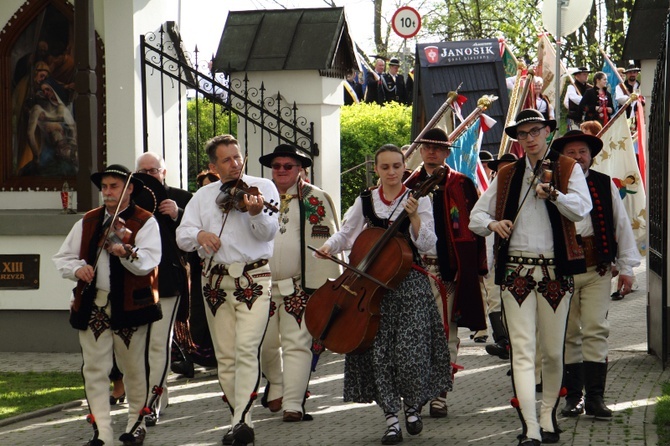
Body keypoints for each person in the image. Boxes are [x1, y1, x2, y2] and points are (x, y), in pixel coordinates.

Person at [469, 109, 592, 446]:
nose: (530, 139)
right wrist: (493, 224)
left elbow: (583, 209)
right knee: (522, 352)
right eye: (523, 134)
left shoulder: (566, 168)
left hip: (555, 272)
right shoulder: (507, 174)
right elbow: (475, 216)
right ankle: (530, 427)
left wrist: (553, 194)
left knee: (553, 352)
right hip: (516, 272)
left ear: (548, 132)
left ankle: (547, 414)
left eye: (535, 131)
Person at [315, 144, 451, 445]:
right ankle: (391, 418)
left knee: (410, 356)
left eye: (396, 166)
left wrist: (414, 218)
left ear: (405, 167)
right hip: (371, 290)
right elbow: (347, 234)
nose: (391, 172)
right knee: (378, 357)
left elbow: (428, 245)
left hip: (409, 287)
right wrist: (329, 248)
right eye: (385, 167)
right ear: (376, 169)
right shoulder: (366, 200)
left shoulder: (419, 199)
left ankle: (413, 407)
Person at [176, 134, 279, 446]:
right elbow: (182, 235)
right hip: (217, 283)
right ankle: (241, 422)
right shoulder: (203, 196)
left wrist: (256, 212)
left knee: (247, 349)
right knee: (226, 356)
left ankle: (241, 421)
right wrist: (201, 235)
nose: (235, 164)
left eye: (237, 157)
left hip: (254, 279)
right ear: (213, 165)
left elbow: (269, 232)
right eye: (227, 160)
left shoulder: (263, 189)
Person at [53, 164, 162, 446]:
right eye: (105, 187)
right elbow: (63, 257)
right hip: (95, 304)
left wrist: (126, 252)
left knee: (134, 368)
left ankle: (136, 424)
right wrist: (78, 269)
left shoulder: (144, 220)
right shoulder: (88, 221)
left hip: (131, 305)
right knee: (94, 369)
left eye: (114, 186)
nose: (108, 192)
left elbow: (149, 261)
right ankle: (102, 431)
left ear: (129, 189)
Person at [553, 130, 641, 419]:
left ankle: (595, 398)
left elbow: (622, 224)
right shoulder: (550, 183)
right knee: (567, 334)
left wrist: (626, 267)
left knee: (595, 329)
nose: (577, 157)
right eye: (571, 152)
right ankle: (572, 398)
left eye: (582, 152)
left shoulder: (604, 184)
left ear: (591, 155)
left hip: (597, 268)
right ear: (561, 157)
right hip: (562, 271)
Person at [404, 128, 488, 418]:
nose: (431, 152)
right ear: (420, 150)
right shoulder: (407, 183)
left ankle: (440, 394)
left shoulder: (463, 184)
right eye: (427, 147)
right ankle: (415, 394)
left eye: (438, 148)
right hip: (414, 271)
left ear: (447, 152)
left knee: (446, 334)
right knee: (414, 334)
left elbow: (476, 230)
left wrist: (478, 267)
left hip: (450, 272)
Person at [258, 144, 342, 422]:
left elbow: (330, 239)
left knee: (297, 344)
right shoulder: (257, 196)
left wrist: (328, 284)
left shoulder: (316, 198)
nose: (281, 170)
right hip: (261, 285)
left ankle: (293, 404)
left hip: (300, 285)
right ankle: (278, 384)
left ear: (300, 170)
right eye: (277, 166)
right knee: (264, 344)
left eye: (288, 166)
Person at [133, 151, 193, 426]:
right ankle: (150, 394)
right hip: (134, 282)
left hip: (168, 281)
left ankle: (153, 401)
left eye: (153, 170)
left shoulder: (182, 198)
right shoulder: (129, 200)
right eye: (143, 171)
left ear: (164, 172)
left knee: (158, 343)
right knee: (137, 345)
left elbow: (196, 239)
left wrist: (178, 216)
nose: (149, 175)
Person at [171, 170, 220, 378]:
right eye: (202, 186)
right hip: (198, 266)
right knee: (196, 312)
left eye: (209, 185)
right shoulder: (197, 205)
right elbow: (186, 232)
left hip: (219, 267)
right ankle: (192, 357)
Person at [481, 153, 518, 360]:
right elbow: (482, 226)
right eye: (501, 170)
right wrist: (486, 262)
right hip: (496, 257)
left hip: (521, 259)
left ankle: (516, 350)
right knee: (495, 300)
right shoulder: (491, 196)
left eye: (509, 168)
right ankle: (503, 342)